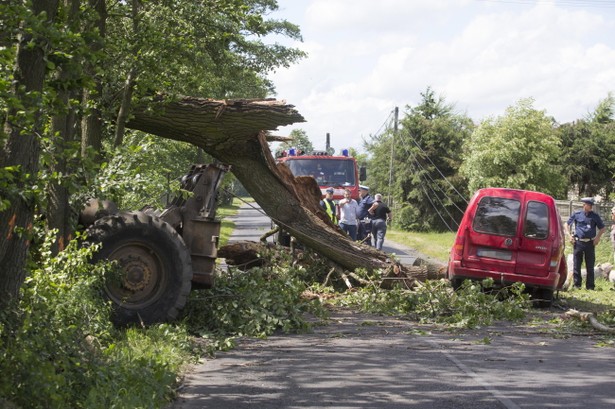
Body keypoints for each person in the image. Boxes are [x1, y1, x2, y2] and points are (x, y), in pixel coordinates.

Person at [565, 197, 606, 290]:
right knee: (577, 264)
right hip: (578, 242)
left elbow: (602, 228)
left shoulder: (595, 216)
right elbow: (566, 224)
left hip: (590, 243)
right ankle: (577, 285)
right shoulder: (577, 214)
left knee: (590, 265)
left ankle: (590, 286)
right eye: (589, 205)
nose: (591, 206)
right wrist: (569, 236)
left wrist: (597, 238)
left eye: (591, 205)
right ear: (584, 205)